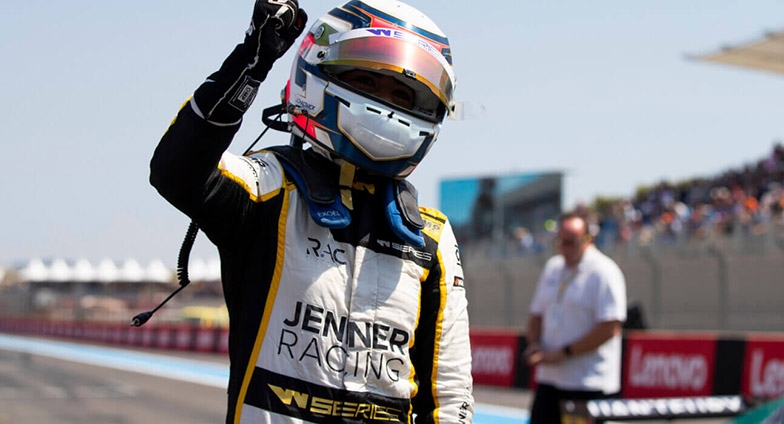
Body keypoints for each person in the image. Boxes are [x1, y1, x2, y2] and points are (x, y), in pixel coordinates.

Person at [149, 0, 473, 423]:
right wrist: (252, 61)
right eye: (368, 81)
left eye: (402, 95)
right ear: (319, 73)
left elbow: (449, 395)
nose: (386, 103)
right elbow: (177, 171)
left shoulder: (431, 237)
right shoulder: (269, 187)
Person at [524, 212, 627, 423]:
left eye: (570, 242)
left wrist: (564, 353)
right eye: (560, 241)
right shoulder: (553, 267)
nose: (564, 248)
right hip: (550, 380)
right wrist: (534, 344)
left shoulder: (604, 271)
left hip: (588, 383)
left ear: (588, 239)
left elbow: (610, 327)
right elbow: (536, 314)